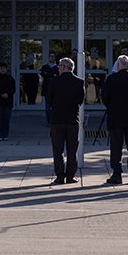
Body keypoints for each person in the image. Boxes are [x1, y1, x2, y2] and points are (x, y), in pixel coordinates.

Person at [103, 55, 128, 184]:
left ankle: (117, 174)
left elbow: (105, 98)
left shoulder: (111, 79)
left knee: (116, 148)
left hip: (116, 118)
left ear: (118, 65)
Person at [49, 57, 85, 185]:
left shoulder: (54, 81)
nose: (58, 68)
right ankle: (70, 176)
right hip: (72, 120)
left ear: (64, 67)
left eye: (59, 66)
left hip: (57, 120)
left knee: (58, 150)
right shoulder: (79, 82)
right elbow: (80, 100)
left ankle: (59, 176)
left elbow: (49, 99)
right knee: (72, 149)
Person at [0, 63, 15, 141]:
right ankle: (0, 134)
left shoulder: (10, 78)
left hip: (8, 102)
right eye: (1, 68)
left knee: (6, 118)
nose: (2, 69)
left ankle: (5, 134)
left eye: (4, 68)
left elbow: (13, 89)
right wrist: (1, 94)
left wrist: (7, 94)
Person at [40, 53, 59, 125]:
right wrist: (51, 75)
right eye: (51, 56)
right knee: (47, 107)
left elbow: (57, 76)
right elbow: (43, 74)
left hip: (55, 89)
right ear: (48, 58)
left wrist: (49, 75)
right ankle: (49, 121)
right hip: (46, 89)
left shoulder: (57, 68)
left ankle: (54, 120)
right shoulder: (45, 67)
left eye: (53, 56)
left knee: (54, 106)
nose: (52, 58)